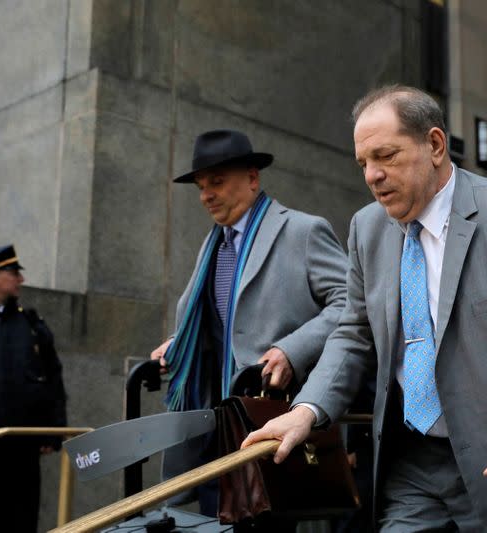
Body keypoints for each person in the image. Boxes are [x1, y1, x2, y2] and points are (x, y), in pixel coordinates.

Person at [243, 85, 487, 531]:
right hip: (412, 468)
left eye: (386, 156)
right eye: (363, 162)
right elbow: (354, 334)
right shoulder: (366, 229)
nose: (372, 176)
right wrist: (306, 411)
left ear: (435, 145)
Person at [151, 129, 348, 527]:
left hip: (273, 422)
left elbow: (351, 304)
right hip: (217, 431)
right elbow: (216, 324)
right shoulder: (213, 247)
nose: (206, 194)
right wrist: (179, 342)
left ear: (253, 178)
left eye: (217, 182)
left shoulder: (303, 231)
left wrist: (294, 349)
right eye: (201, 186)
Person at [0, 244, 67, 533]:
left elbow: (52, 379)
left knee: (19, 524)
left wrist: (54, 430)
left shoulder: (30, 325)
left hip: (20, 455)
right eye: (13, 272)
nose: (20, 279)